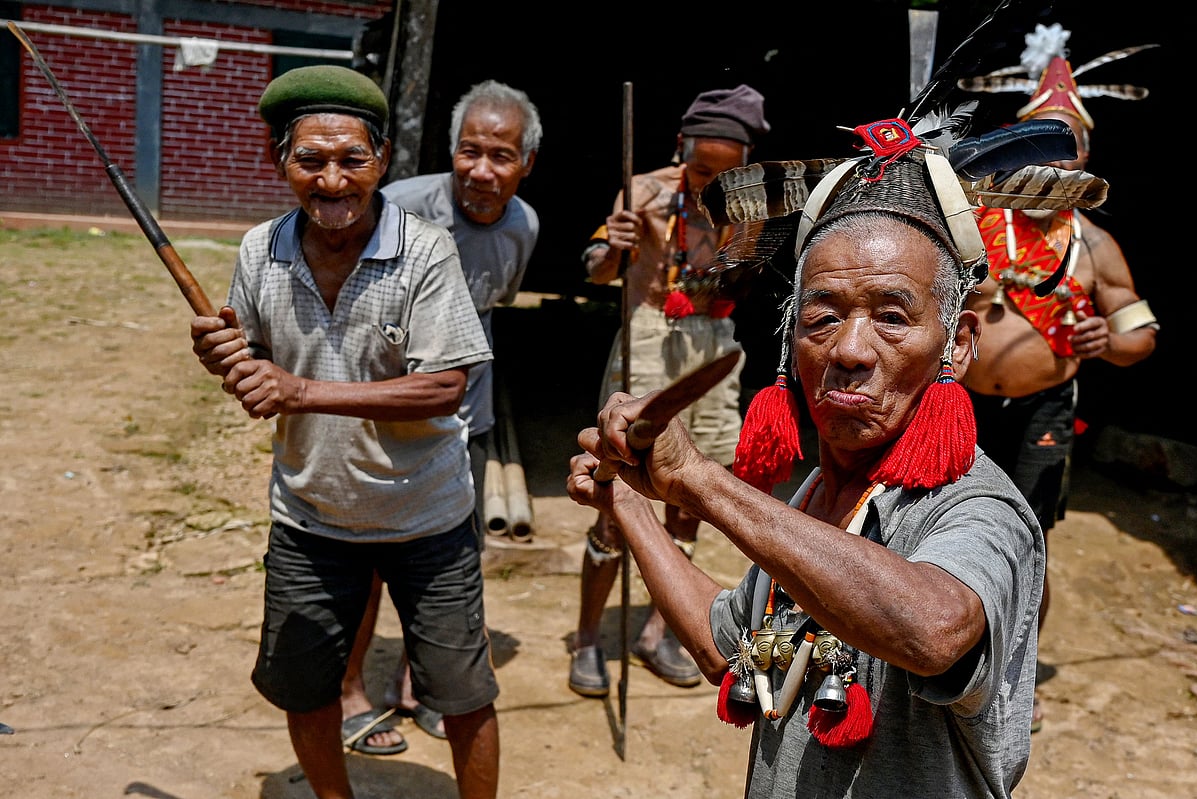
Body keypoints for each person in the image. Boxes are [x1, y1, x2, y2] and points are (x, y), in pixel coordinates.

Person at [566, 113, 1049, 796]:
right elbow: (724, 646)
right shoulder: (816, 496)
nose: (850, 350)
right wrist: (629, 501)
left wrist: (702, 483)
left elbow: (933, 629)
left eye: (892, 315)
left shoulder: (977, 504)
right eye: (822, 317)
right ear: (791, 341)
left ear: (958, 342)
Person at [189, 64, 500, 798]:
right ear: (280, 162)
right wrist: (224, 358)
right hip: (310, 515)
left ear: (382, 160)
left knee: (461, 695)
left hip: (427, 516)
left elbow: (445, 386)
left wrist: (301, 389)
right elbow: (256, 364)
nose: (332, 181)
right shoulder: (259, 250)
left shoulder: (424, 250)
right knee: (306, 687)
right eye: (311, 160)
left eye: (351, 160)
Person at [958, 23, 1159, 733]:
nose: (1054, 154)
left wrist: (1112, 341)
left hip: (1044, 408)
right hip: (959, 406)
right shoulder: (971, 222)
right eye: (1040, 138)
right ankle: (938, 656)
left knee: (1026, 545)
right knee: (938, 528)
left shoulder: (1093, 242)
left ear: (1085, 155)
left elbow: (1140, 332)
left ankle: (1013, 674)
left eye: (1067, 141)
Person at [339, 78, 542, 747]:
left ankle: (411, 681)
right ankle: (350, 694)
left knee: (444, 562)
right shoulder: (397, 208)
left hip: (468, 423)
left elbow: (491, 305)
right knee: (366, 559)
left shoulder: (522, 225)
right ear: (451, 151)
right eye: (469, 151)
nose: (482, 170)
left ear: (525, 164)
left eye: (501, 155)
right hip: (387, 417)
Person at [568, 85, 769, 696]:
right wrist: (616, 247)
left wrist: (737, 245)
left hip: (712, 343)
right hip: (649, 340)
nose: (712, 182)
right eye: (702, 169)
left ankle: (661, 631)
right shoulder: (645, 190)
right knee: (615, 484)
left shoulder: (752, 203)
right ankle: (585, 639)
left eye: (726, 173)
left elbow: (745, 283)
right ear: (680, 150)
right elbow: (595, 268)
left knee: (691, 491)